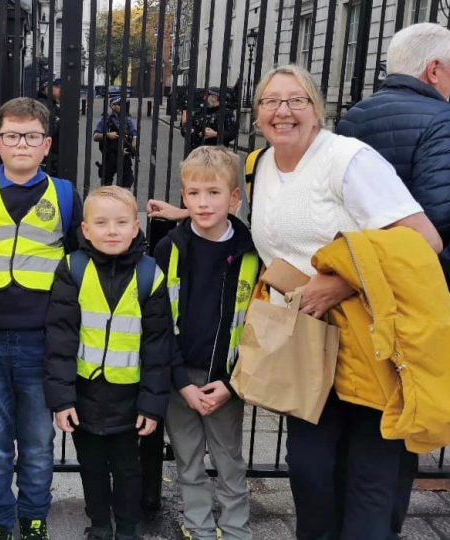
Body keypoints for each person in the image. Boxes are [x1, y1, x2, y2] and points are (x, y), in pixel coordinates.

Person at [248, 64, 441, 540]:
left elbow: (423, 239)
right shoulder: (261, 165)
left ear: (317, 110)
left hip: (368, 334)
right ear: (257, 114)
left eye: (297, 100)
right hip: (306, 339)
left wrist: (341, 282)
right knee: (310, 469)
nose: (284, 111)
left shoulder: (348, 159)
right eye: (271, 101)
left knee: (368, 471)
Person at [0, 97, 83, 540]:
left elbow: (82, 261)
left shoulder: (65, 195)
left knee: (37, 441)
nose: (21, 144)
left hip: (39, 340)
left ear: (46, 145)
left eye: (31, 136)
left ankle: (33, 517)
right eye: (12, 135)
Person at [336, 26, 450, 535]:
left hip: (356, 291)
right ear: (434, 70)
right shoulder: (443, 120)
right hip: (417, 299)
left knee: (362, 425)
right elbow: (438, 221)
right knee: (405, 426)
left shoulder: (352, 117)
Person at [44, 186, 171, 540]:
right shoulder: (73, 268)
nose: (111, 230)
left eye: (120, 222)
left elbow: (158, 346)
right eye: (101, 222)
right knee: (92, 467)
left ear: (136, 227)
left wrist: (152, 403)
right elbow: (60, 338)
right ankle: (99, 526)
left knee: (130, 470)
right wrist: (62, 399)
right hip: (84, 393)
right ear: (85, 229)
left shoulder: (150, 274)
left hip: (131, 397)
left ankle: (128, 529)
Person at [153, 146, 257, 540]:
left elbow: (259, 325)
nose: (203, 202)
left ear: (233, 198)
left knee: (229, 459)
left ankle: (235, 528)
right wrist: (180, 381)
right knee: (188, 459)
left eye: (214, 193)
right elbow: (158, 322)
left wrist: (231, 384)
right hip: (179, 377)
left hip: (227, 379)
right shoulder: (169, 249)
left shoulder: (250, 251)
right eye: (194, 193)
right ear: (183, 196)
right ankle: (196, 525)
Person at [94, 96, 137, 189]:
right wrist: (108, 135)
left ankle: (124, 202)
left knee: (126, 184)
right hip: (110, 156)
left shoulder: (127, 120)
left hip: (124, 156)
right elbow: (95, 136)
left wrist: (130, 149)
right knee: (106, 184)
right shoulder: (105, 120)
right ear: (112, 106)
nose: (123, 106)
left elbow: (135, 136)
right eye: (120, 104)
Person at [36, 75, 61, 176]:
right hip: (49, 158)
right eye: (57, 86)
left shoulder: (51, 105)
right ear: (47, 88)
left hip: (53, 155)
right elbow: (47, 132)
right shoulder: (43, 106)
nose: (60, 88)